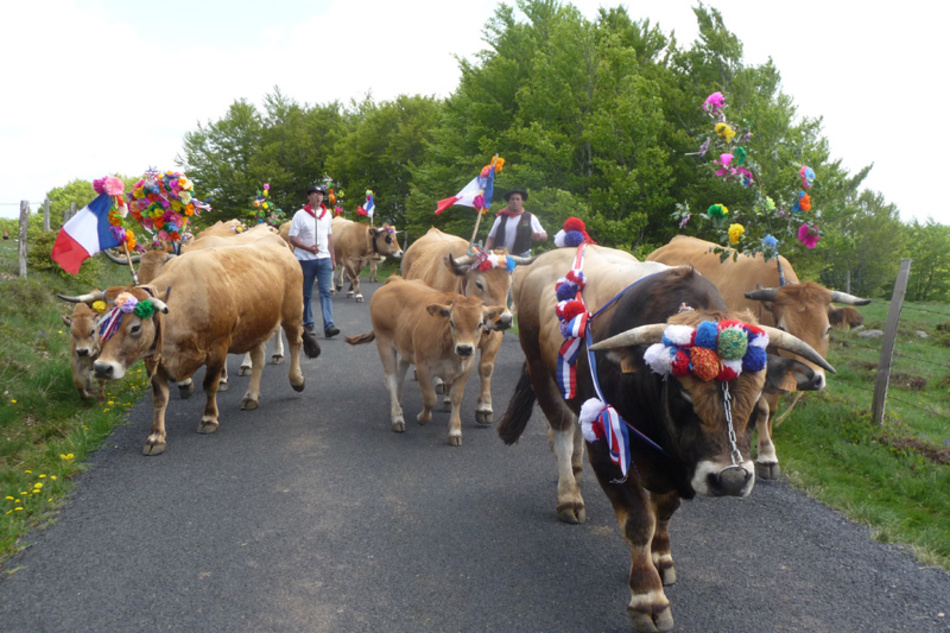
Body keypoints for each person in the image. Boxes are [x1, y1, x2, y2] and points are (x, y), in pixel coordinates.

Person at [288, 186, 340, 338]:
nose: (318, 197)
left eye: (320, 194)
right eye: (314, 194)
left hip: (324, 259)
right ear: (308, 197)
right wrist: (308, 248)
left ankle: (329, 325)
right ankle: (308, 324)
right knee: (306, 294)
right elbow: (292, 237)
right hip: (305, 259)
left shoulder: (327, 214)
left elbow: (329, 236)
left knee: (325, 292)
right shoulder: (300, 215)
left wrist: (333, 257)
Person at [484, 188, 547, 257]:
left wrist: (540, 236)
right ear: (509, 201)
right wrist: (485, 250)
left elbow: (545, 236)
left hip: (522, 256)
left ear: (522, 201)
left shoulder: (530, 217)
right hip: (501, 256)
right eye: (512, 199)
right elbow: (491, 237)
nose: (515, 201)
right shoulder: (501, 218)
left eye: (517, 199)